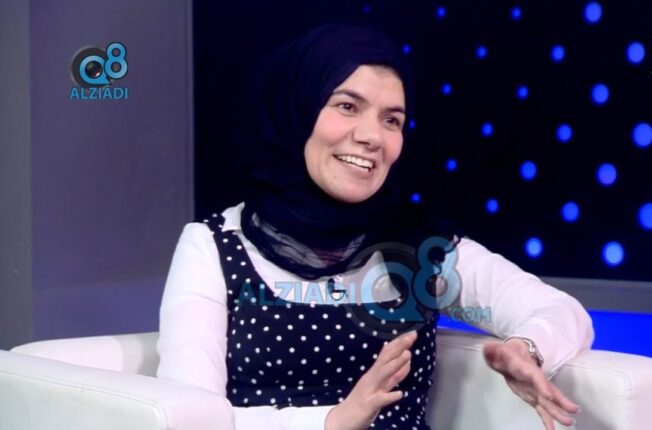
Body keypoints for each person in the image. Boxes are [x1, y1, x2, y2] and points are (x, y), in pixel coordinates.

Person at [156, 25, 594, 430]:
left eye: (392, 120)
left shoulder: (420, 247)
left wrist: (526, 350)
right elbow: (190, 417)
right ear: (297, 110)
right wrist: (332, 421)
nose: (372, 137)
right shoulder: (214, 245)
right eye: (347, 106)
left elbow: (560, 311)